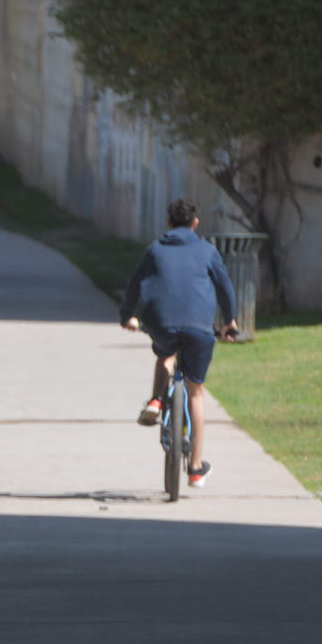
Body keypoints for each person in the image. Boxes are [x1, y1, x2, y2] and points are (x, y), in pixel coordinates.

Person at [119, 198, 239, 488]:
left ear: (168, 223)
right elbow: (225, 288)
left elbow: (134, 284)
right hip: (198, 328)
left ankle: (156, 400)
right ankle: (195, 468)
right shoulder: (207, 251)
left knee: (165, 354)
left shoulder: (154, 249)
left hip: (160, 322)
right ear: (195, 223)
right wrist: (229, 323)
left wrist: (127, 316)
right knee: (195, 392)